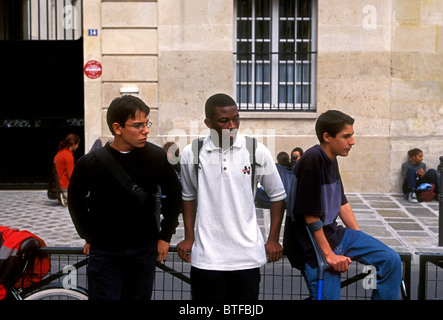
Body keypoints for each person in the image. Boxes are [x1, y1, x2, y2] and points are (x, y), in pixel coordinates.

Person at [67, 95, 182, 300]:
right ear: (117, 128)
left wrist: (166, 236)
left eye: (147, 123)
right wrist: (88, 236)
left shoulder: (157, 157)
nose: (146, 130)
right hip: (104, 252)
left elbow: (174, 197)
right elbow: (75, 201)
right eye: (138, 125)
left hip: (143, 250)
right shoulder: (89, 163)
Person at [177, 93, 286, 300]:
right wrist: (189, 236)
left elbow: (278, 196)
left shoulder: (256, 151)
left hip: (247, 257)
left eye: (236, 119)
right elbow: (188, 197)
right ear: (208, 123)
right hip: (206, 257)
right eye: (224, 120)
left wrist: (273, 239)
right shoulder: (191, 153)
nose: (232, 125)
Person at [284, 110, 401, 300]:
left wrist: (359, 238)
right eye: (347, 136)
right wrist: (329, 255)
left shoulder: (331, 159)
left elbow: (342, 204)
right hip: (312, 248)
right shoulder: (312, 160)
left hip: (335, 235)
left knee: (391, 260)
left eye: (352, 135)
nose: (352, 141)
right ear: (327, 137)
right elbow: (310, 217)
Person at [53, 133, 80, 206]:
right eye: (77, 144)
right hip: (65, 184)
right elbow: (71, 175)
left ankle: (65, 196)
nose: (77, 146)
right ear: (73, 144)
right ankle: (66, 198)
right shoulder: (68, 156)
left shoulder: (60, 153)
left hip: (59, 183)